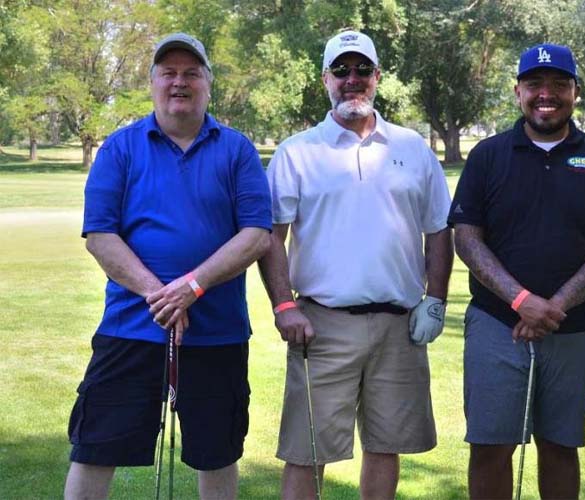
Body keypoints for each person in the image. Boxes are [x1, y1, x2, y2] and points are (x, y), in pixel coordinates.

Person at [63, 33, 272, 499]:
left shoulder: (237, 150)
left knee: (216, 451)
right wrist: (161, 295)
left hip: (216, 331)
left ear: (208, 84)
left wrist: (192, 287)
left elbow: (257, 234)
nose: (180, 82)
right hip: (131, 327)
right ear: (153, 81)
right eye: (169, 73)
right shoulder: (119, 148)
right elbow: (100, 235)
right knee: (94, 444)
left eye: (191, 73)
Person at [258, 29, 453, 499]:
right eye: (341, 70)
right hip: (322, 324)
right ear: (325, 79)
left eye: (362, 69)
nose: (352, 80)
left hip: (399, 325)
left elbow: (439, 231)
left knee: (386, 447)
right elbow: (270, 237)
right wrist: (284, 306)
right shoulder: (297, 151)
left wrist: (437, 301)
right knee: (307, 450)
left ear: (377, 77)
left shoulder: (412, 148)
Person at [449, 43, 585, 499]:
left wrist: (556, 304)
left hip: (578, 326)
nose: (546, 94)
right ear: (518, 92)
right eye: (535, 84)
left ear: (575, 91)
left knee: (559, 444)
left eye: (558, 84)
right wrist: (521, 300)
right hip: (498, 322)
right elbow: (467, 238)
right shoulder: (488, 155)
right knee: (491, 446)